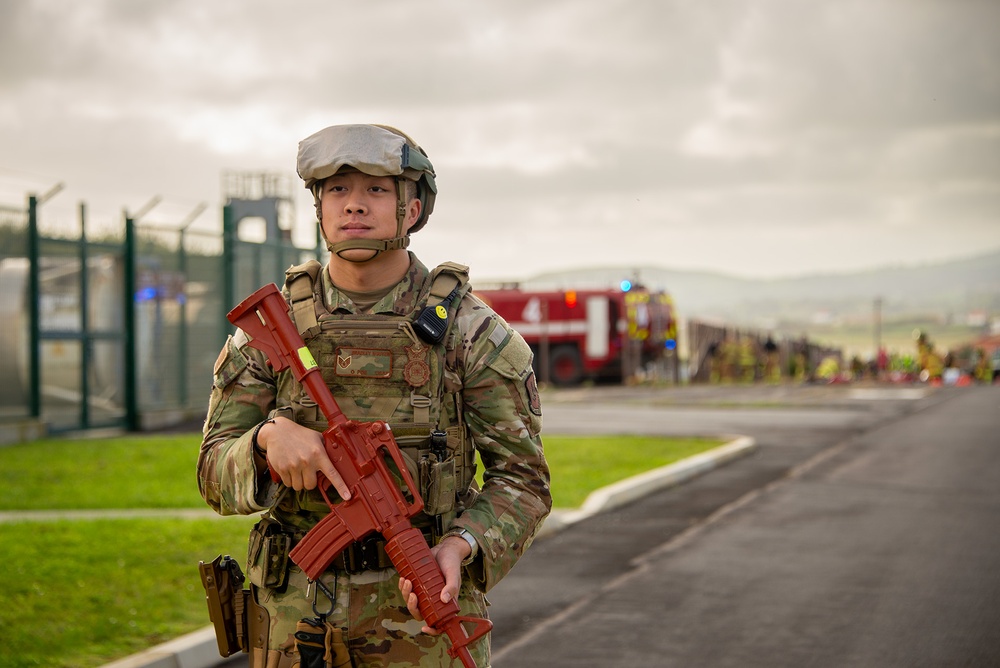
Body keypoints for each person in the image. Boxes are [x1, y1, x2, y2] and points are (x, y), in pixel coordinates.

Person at [198, 123, 552, 667]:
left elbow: (522, 480)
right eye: (338, 190)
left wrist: (461, 547)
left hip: (422, 628)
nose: (353, 206)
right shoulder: (273, 329)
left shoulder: (469, 332)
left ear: (411, 210)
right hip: (296, 625)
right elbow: (212, 472)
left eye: (376, 190)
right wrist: (267, 442)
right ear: (319, 208)